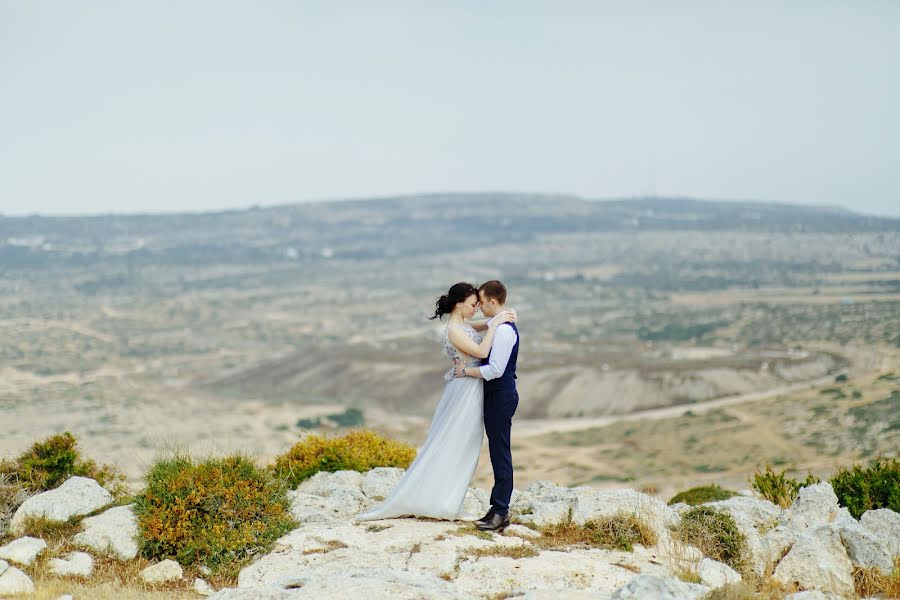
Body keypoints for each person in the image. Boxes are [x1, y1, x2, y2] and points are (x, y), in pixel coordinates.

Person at [354, 282, 516, 522]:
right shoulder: (453, 329)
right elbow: (482, 352)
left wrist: (502, 317)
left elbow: (486, 323)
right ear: (459, 304)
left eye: (479, 304)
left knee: (463, 445)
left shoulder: (462, 324)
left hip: (470, 386)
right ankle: (442, 501)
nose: (477, 308)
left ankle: (449, 500)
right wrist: (498, 322)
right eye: (473, 304)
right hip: (464, 389)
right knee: (453, 441)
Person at [455, 280, 519, 531]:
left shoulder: (502, 330)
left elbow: (494, 370)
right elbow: (468, 325)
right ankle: (497, 509)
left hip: (501, 396)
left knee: (500, 453)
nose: (479, 306)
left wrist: (465, 372)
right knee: (496, 452)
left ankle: (501, 511)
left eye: (481, 301)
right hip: (495, 396)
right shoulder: (497, 323)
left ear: (493, 301)